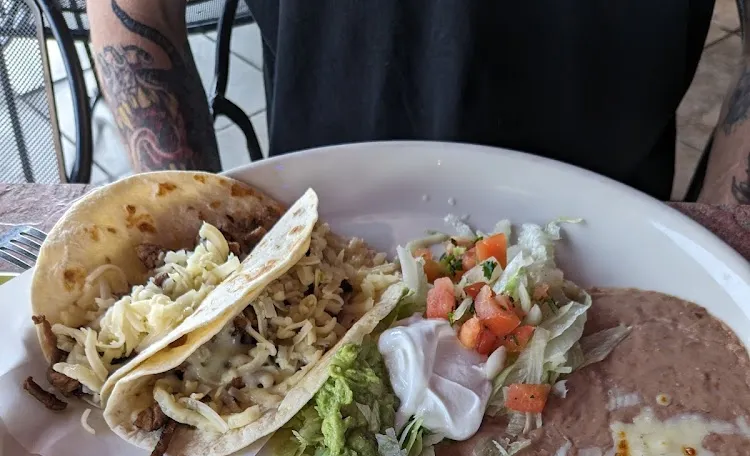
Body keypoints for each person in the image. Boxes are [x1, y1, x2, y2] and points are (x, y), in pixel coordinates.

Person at [87, 0, 747, 203]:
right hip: (329, 239)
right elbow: (135, 11)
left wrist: (721, 244)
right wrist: (195, 242)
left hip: (612, 231)